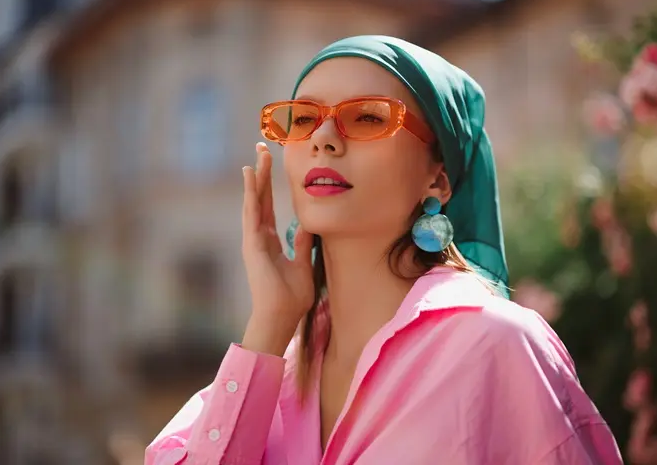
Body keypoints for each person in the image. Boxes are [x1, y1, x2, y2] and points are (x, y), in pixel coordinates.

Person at [145, 36, 623, 465]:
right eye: (304, 118)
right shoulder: (267, 373)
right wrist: (269, 324)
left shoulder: (498, 346)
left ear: (436, 178)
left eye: (367, 117)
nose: (324, 139)